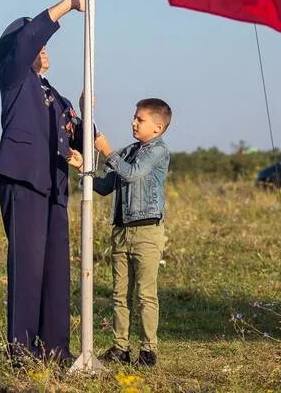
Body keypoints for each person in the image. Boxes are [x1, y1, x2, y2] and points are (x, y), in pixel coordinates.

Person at [0, 0, 85, 362]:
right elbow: (29, 37)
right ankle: (22, 351)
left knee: (54, 272)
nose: (42, 45)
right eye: (36, 41)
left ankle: (55, 350)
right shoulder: (13, 77)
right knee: (27, 268)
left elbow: (78, 131)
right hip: (25, 180)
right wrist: (69, 4)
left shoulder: (52, 93)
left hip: (54, 186)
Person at [67, 98, 172, 367]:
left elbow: (133, 175)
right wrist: (82, 168)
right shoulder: (128, 151)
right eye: (134, 117)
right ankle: (120, 347)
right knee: (119, 293)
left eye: (140, 119)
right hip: (122, 231)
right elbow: (105, 186)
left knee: (145, 294)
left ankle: (149, 350)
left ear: (158, 127)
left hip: (147, 231)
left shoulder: (158, 151)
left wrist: (107, 150)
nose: (133, 122)